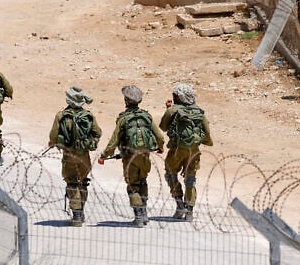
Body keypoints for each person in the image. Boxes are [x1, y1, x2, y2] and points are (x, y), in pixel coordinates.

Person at [98, 85, 164, 227]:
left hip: (130, 157)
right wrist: (160, 147)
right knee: (143, 181)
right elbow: (159, 136)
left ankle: (138, 216)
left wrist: (104, 155)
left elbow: (114, 141)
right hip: (145, 156)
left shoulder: (123, 119)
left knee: (133, 185)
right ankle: (144, 213)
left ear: (126, 101)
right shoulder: (146, 116)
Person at [159, 83, 213, 221]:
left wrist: (168, 109)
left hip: (176, 150)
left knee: (170, 174)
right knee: (190, 179)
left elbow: (163, 127)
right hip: (193, 151)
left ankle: (179, 204)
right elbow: (207, 132)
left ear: (178, 97)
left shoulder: (173, 110)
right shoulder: (199, 111)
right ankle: (189, 211)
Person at [49, 87, 102, 226]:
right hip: (84, 157)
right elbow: (97, 132)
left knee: (72, 183)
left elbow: (54, 134)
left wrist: (53, 143)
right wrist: (91, 143)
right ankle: (81, 211)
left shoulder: (61, 116)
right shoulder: (88, 116)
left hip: (69, 156)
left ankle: (77, 215)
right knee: (83, 182)